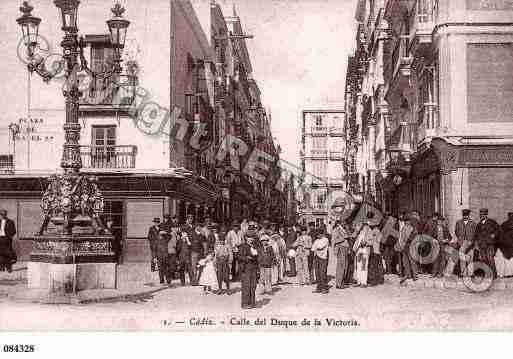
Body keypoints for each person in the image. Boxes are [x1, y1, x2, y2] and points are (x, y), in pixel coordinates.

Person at [474, 208, 500, 278]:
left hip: (489, 244)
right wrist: (477, 242)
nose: (481, 216)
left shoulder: (492, 222)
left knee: (490, 258)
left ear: (486, 215)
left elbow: (498, 229)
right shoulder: (478, 224)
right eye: (480, 215)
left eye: (483, 215)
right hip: (482, 245)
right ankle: (488, 274)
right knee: (484, 259)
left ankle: (494, 275)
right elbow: (476, 235)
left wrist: (494, 234)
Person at [239, 223, 260, 309]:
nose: (251, 239)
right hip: (246, 267)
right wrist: (246, 258)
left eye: (252, 238)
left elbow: (259, 256)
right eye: (249, 237)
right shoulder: (243, 246)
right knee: (246, 285)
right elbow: (239, 256)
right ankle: (245, 303)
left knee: (253, 285)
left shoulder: (255, 246)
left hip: (253, 268)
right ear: (246, 238)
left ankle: (252, 302)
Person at [395, 213, 418, 284]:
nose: (406, 222)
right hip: (404, 246)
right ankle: (408, 274)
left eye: (407, 221)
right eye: (405, 221)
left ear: (410, 221)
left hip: (410, 246)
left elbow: (414, 238)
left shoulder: (413, 229)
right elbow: (401, 238)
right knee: (405, 261)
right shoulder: (404, 228)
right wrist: (401, 245)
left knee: (412, 261)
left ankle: (415, 275)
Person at [454, 209, 477, 276]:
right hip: (462, 243)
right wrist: (460, 239)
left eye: (466, 215)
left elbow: (475, 233)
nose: (465, 217)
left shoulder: (473, 223)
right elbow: (456, 231)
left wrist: (471, 241)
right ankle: (463, 272)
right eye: (464, 215)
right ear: (462, 215)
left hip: (470, 243)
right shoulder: (458, 222)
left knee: (470, 257)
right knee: (462, 258)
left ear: (468, 215)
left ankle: (470, 273)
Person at [332, 220, 350, 289]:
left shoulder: (345, 229)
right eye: (343, 222)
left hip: (346, 248)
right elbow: (334, 240)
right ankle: (339, 283)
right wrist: (343, 238)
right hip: (340, 248)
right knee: (341, 266)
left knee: (345, 266)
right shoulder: (336, 230)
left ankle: (342, 282)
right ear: (340, 223)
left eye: (345, 222)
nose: (345, 223)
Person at [353, 220, 371, 287]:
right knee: (359, 266)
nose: (364, 226)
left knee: (363, 266)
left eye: (365, 225)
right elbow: (356, 241)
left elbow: (371, 241)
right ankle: (359, 281)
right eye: (363, 225)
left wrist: (366, 243)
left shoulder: (369, 232)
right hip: (359, 251)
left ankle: (364, 282)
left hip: (365, 251)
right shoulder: (360, 233)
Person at [367, 221, 385, 286]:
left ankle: (374, 280)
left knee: (373, 266)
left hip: (374, 250)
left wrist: (366, 242)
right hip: (377, 251)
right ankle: (380, 279)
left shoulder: (374, 232)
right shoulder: (379, 232)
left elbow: (371, 241)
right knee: (379, 265)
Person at [312, 229, 330, 293]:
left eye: (318, 234)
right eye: (317, 235)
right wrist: (315, 247)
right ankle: (319, 287)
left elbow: (320, 247)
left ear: (321, 234)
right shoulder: (316, 240)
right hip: (316, 257)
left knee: (322, 273)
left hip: (323, 258)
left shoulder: (325, 239)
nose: (317, 236)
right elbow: (313, 248)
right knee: (317, 273)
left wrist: (316, 247)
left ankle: (324, 288)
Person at [497, 212, 513, 277]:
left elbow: (500, 235)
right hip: (508, 245)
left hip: (505, 245)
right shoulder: (504, 225)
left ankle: (507, 273)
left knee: (506, 260)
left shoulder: (504, 224)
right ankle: (509, 273)